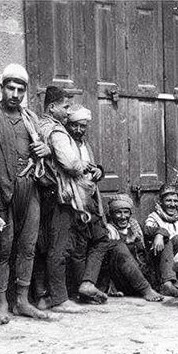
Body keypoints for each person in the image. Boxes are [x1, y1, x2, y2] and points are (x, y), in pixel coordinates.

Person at [0, 63, 50, 324]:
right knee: (2, 250)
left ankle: (22, 301)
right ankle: (2, 303)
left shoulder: (31, 119)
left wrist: (44, 151)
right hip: (0, 193)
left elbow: (42, 153)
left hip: (30, 190)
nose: (15, 94)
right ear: (1, 88)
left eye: (20, 90)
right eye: (10, 88)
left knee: (28, 247)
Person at [37, 87, 104, 313]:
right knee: (59, 247)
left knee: (49, 245)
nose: (67, 112)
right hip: (60, 195)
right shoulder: (56, 131)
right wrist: (80, 164)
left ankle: (44, 296)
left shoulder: (42, 125)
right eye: (65, 107)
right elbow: (71, 164)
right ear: (52, 107)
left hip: (48, 193)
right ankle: (59, 299)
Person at [64, 105, 110, 303]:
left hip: (90, 198)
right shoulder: (65, 143)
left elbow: (90, 166)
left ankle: (87, 283)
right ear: (68, 124)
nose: (79, 130)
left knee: (100, 239)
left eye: (83, 126)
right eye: (75, 125)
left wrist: (99, 170)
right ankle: (82, 287)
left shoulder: (85, 144)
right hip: (74, 200)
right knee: (80, 246)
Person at [103, 195, 163, 302]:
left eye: (126, 212)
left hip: (144, 274)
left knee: (165, 240)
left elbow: (160, 230)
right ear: (111, 215)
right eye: (118, 212)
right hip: (123, 281)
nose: (123, 217)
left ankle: (167, 283)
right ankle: (146, 290)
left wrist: (159, 235)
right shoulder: (107, 231)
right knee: (119, 247)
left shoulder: (135, 226)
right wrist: (126, 241)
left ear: (130, 214)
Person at [143, 183, 178, 297]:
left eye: (175, 201)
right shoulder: (154, 217)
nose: (172, 204)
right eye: (168, 201)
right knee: (167, 241)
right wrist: (160, 233)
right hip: (159, 262)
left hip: (175, 261)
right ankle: (166, 283)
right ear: (161, 202)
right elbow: (147, 230)